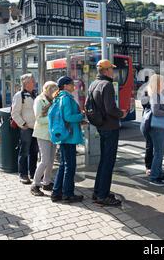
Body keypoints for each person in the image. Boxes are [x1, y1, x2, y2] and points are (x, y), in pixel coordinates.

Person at [89, 60, 127, 206]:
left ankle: (98, 190)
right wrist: (121, 114)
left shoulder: (93, 84)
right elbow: (110, 108)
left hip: (100, 125)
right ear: (105, 70)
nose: (113, 71)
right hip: (110, 126)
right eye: (111, 69)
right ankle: (102, 195)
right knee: (108, 161)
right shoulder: (107, 85)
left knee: (103, 160)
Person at [50, 76, 85, 203]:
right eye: (71, 84)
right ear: (65, 86)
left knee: (63, 165)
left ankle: (56, 192)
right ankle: (68, 194)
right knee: (70, 166)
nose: (73, 85)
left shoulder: (59, 97)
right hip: (69, 136)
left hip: (63, 135)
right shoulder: (66, 98)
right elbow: (69, 117)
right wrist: (81, 116)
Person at [30, 82, 59, 197]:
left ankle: (46, 182)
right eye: (53, 90)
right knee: (45, 160)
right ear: (47, 89)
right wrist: (53, 117)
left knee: (51, 160)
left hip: (52, 133)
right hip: (42, 134)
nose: (55, 93)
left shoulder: (53, 99)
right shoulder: (39, 100)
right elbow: (39, 119)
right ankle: (35, 184)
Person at [11, 74, 38, 184]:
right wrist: (23, 124)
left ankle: (33, 173)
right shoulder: (19, 95)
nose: (35, 82)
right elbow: (14, 113)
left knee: (34, 152)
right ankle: (23, 174)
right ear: (27, 83)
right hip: (26, 128)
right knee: (24, 152)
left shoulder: (34, 94)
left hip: (36, 128)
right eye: (33, 81)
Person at [141, 82, 153, 177]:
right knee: (150, 145)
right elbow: (146, 106)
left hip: (153, 122)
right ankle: (149, 167)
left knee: (154, 146)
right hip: (149, 122)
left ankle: (154, 166)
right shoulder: (147, 93)